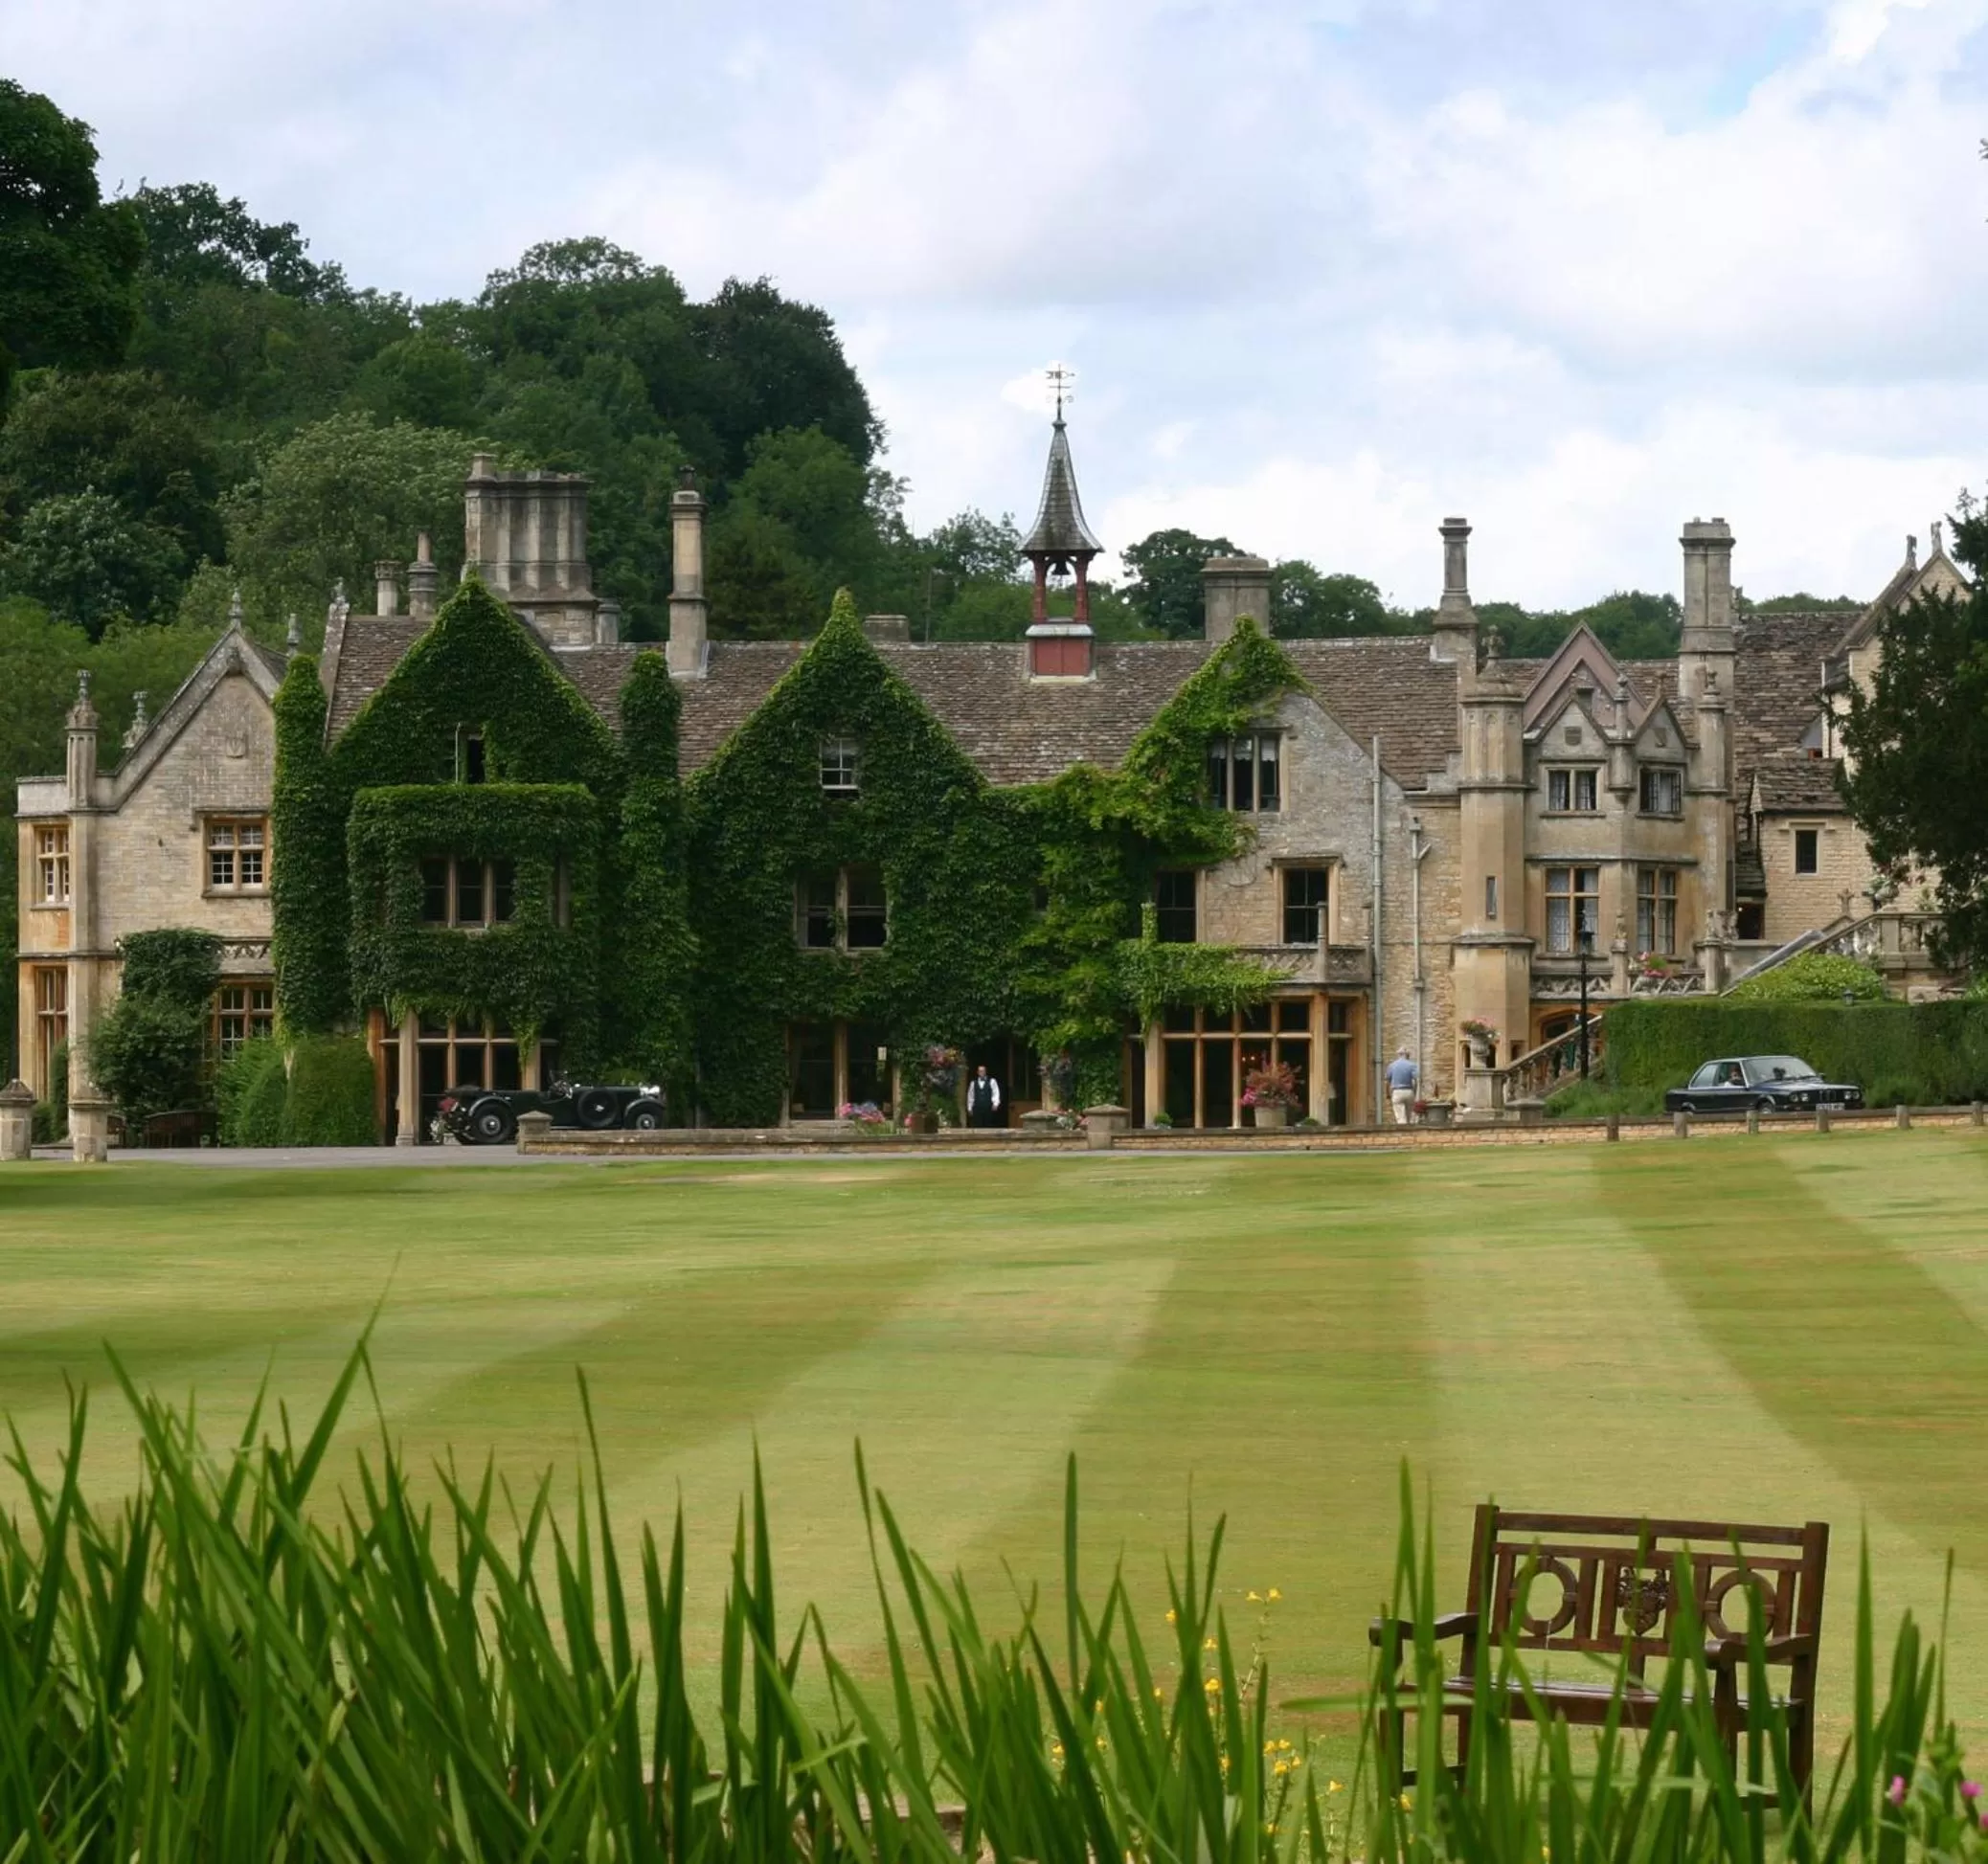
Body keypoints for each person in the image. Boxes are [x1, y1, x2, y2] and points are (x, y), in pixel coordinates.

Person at [1386, 1047, 1418, 1125]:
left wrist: (1387, 1094)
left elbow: (1387, 1081)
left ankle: (1403, 1135)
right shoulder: (1412, 1065)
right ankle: (1409, 1135)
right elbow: (1416, 1080)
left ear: (1399, 1055)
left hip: (1397, 1092)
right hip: (1409, 1091)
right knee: (1409, 1117)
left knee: (1400, 1118)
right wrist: (1414, 1092)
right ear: (1407, 1055)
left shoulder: (1392, 1065)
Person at [965, 1064, 1004, 1128]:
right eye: (980, 1071)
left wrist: (995, 1104)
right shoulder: (973, 1083)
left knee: (988, 1126)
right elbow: (970, 1096)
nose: (981, 1072)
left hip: (988, 1108)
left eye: (983, 1071)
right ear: (977, 1072)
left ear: (985, 1072)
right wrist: (969, 1107)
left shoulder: (992, 1081)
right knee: (977, 1126)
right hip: (977, 1108)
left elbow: (996, 1093)